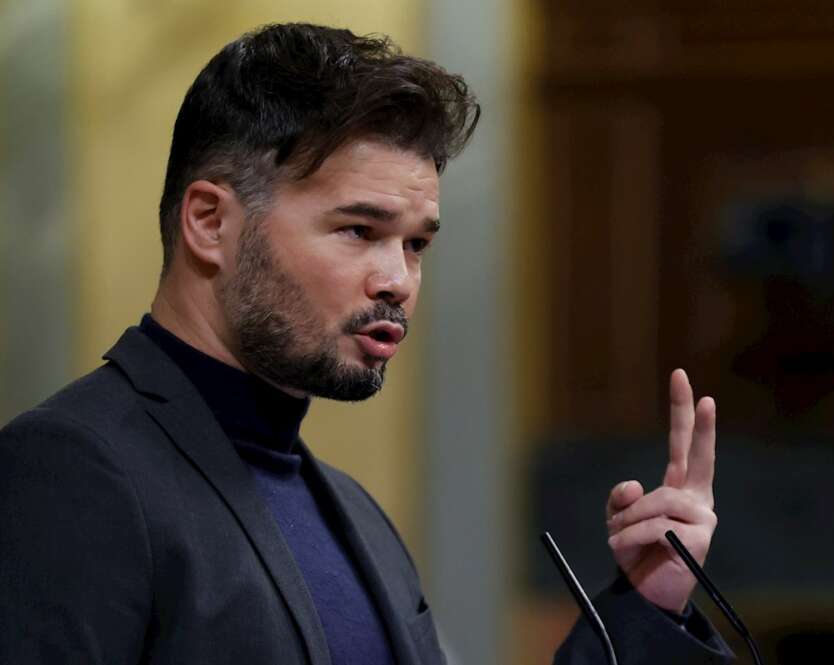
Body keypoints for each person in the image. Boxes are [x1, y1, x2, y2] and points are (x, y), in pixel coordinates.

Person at [0, 23, 732, 665]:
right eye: (360, 231)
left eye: (415, 244)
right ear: (209, 222)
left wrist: (646, 609)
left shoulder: (353, 515)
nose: (398, 280)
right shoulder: (74, 469)